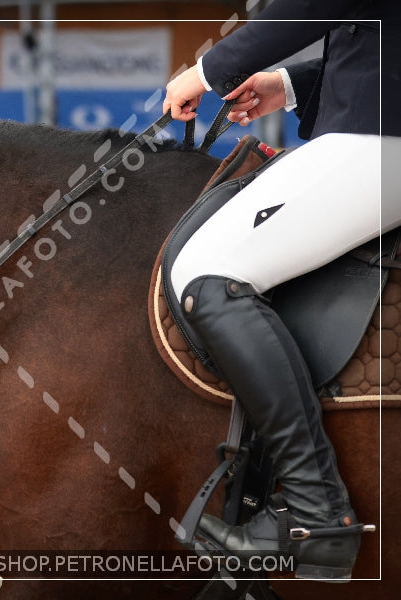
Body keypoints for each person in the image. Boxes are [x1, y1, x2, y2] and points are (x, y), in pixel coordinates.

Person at [162, 0, 401, 579]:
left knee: (205, 275)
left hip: (383, 137)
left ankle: (315, 510)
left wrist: (208, 69)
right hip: (377, 120)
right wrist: (289, 84)